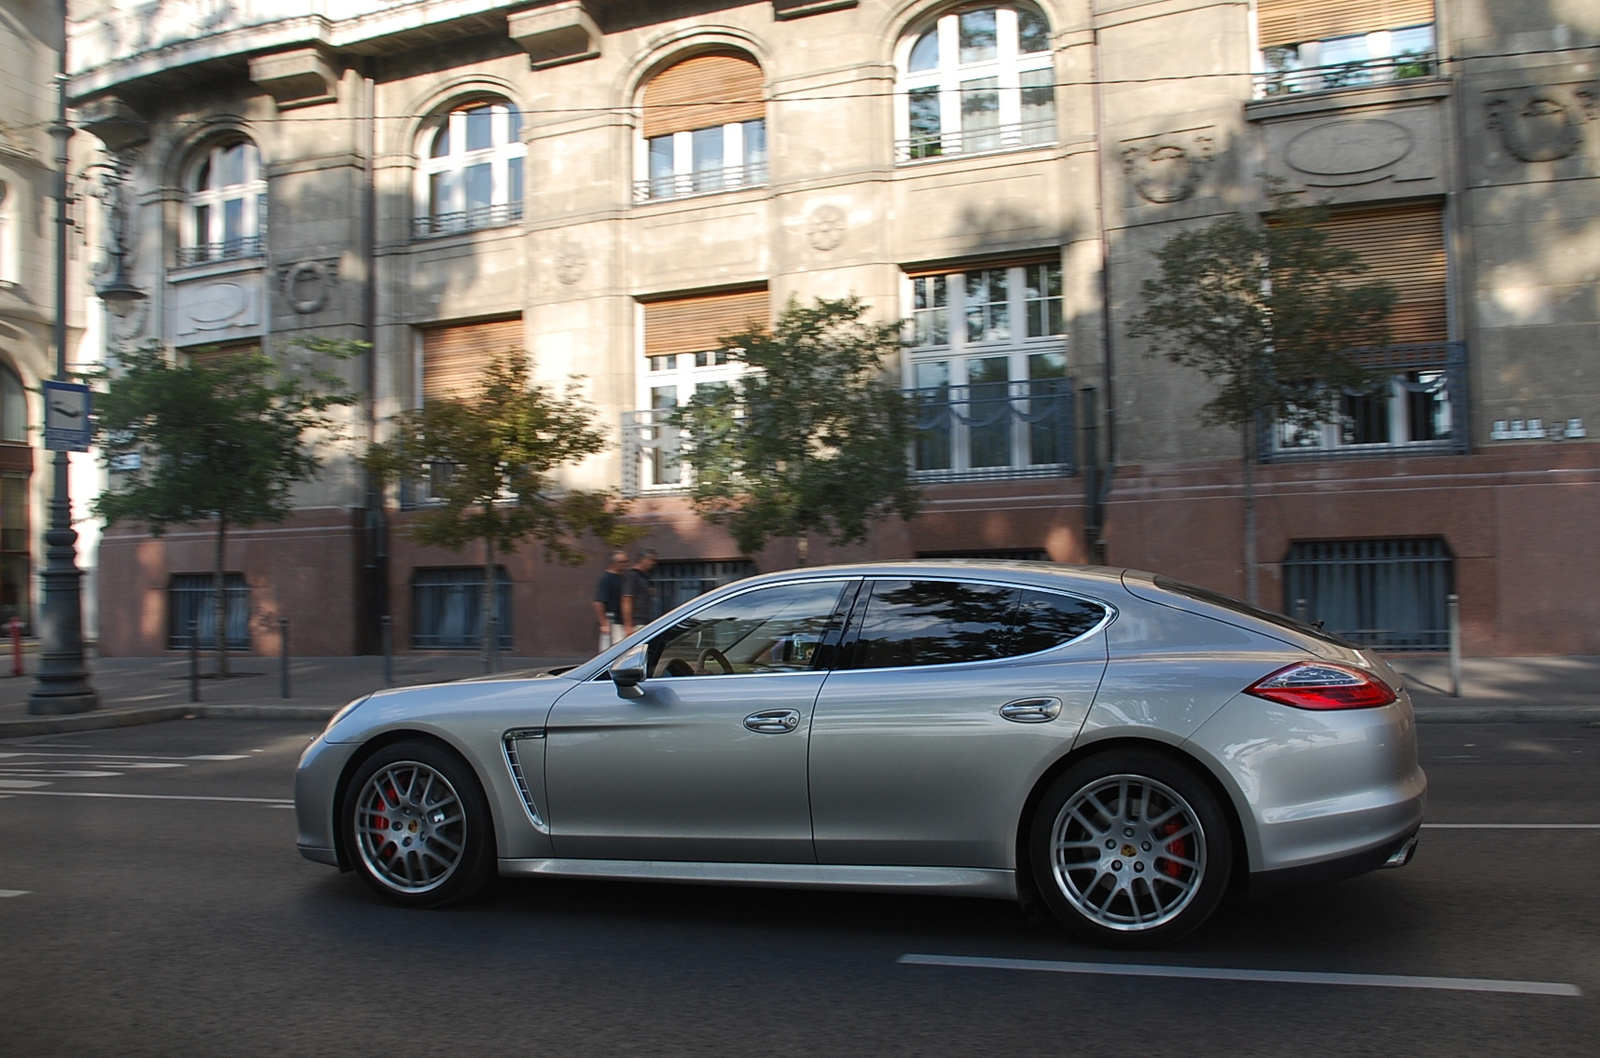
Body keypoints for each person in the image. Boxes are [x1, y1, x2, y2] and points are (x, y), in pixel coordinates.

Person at [592, 550, 628, 652]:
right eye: (622, 562)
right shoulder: (607, 578)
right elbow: (598, 602)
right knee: (609, 649)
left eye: (626, 561)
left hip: (619, 619)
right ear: (613, 563)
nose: (625, 564)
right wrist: (604, 623)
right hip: (611, 618)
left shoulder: (621, 578)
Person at [621, 550, 659, 637]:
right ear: (642, 560)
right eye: (651, 560)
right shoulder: (632, 576)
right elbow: (626, 600)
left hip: (644, 621)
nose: (653, 563)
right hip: (636, 623)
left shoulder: (644, 577)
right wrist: (628, 625)